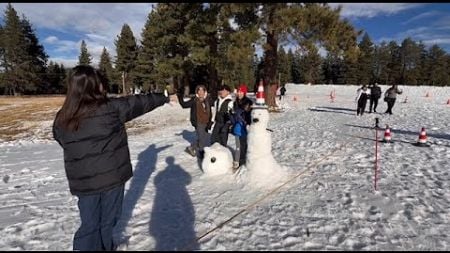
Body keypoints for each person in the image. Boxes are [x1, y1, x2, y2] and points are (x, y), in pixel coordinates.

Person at [52, 65, 177, 251]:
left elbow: (61, 139)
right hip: (111, 178)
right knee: (108, 220)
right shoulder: (109, 109)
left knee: (89, 224)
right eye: (100, 83)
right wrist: (164, 97)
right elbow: (138, 103)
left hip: (83, 182)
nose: (104, 87)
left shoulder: (62, 117)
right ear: (93, 87)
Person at [177, 84, 213, 159]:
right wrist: (179, 95)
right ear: (197, 92)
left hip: (207, 122)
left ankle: (191, 148)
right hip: (198, 122)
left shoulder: (208, 99)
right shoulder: (194, 100)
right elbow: (184, 105)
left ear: (204, 91)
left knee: (202, 138)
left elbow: (213, 104)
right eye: (199, 90)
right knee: (202, 140)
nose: (200, 92)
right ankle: (201, 154)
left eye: (202, 90)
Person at [230, 84, 253, 171]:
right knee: (239, 146)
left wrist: (248, 123)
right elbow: (234, 118)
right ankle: (238, 161)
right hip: (238, 128)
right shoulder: (235, 103)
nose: (239, 94)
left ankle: (244, 160)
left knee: (245, 145)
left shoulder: (248, 102)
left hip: (245, 127)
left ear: (244, 93)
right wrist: (231, 114)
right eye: (238, 92)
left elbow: (250, 116)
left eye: (241, 92)